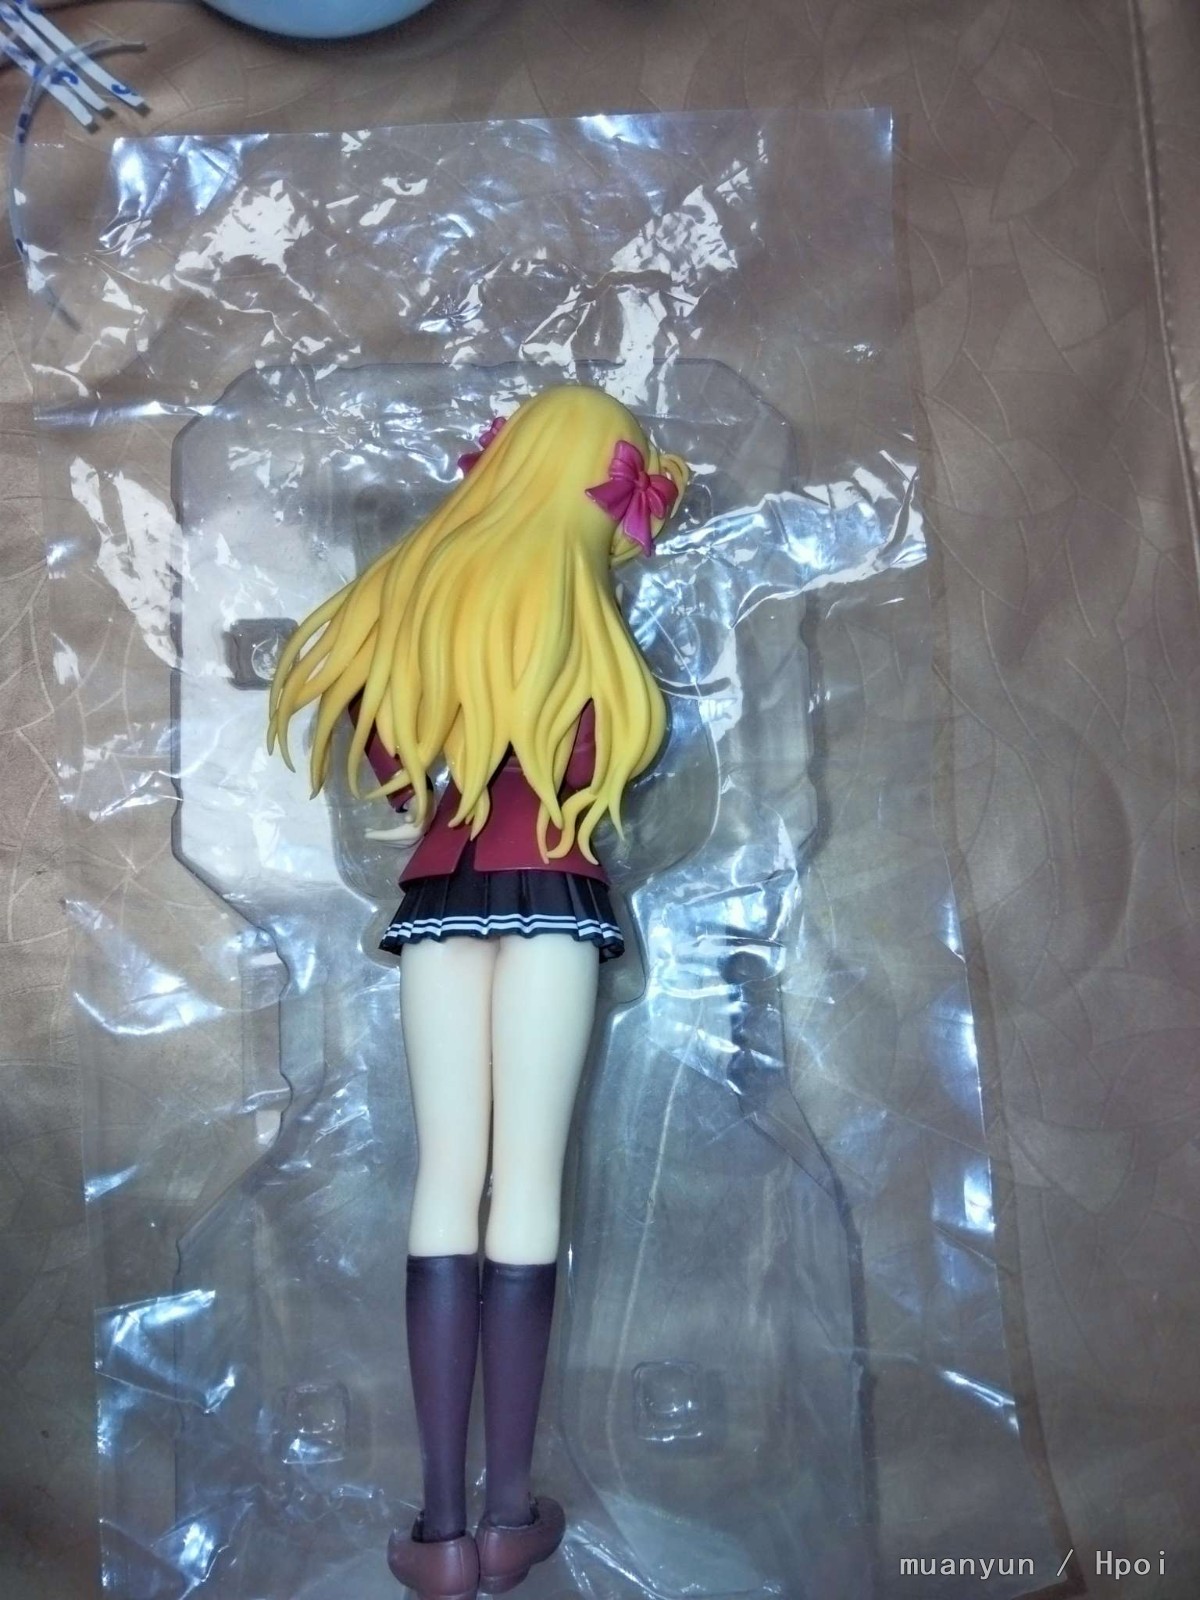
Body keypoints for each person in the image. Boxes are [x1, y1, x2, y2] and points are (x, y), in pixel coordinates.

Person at [268, 383, 688, 1599]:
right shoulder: (583, 633)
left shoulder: (436, 600)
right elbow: (608, 763)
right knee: (527, 1186)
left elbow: (384, 746)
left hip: (440, 896)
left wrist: (431, 770)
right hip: (552, 891)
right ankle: (506, 1517)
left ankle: (442, 1524)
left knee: (447, 1176)